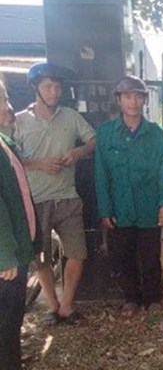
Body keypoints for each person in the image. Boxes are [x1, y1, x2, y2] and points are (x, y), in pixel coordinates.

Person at [14, 62, 95, 324]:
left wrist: (78, 152)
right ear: (35, 88)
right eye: (48, 86)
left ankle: (67, 306)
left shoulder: (71, 116)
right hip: (35, 200)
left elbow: (93, 141)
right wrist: (39, 164)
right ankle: (52, 305)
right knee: (41, 258)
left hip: (67, 196)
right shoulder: (18, 121)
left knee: (78, 253)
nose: (54, 91)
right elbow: (9, 158)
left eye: (58, 86)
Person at [95, 76, 163, 317]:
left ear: (144, 101)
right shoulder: (106, 134)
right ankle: (131, 298)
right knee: (122, 256)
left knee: (151, 256)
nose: (134, 102)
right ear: (119, 100)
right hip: (119, 208)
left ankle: (152, 298)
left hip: (148, 206)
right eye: (128, 96)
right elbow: (101, 174)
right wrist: (105, 209)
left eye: (139, 96)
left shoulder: (157, 135)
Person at [0, 80, 45, 370]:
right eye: (3, 99)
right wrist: (4, 253)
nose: (8, 105)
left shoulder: (4, 142)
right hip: (5, 254)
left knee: (13, 315)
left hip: (18, 248)